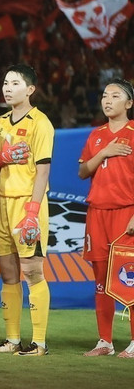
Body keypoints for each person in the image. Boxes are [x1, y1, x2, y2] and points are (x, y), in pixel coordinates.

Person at [0, 64, 53, 356]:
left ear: (30, 90)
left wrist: (33, 212)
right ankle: (12, 340)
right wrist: (1, 157)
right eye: (5, 83)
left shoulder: (41, 123)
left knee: (32, 271)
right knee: (7, 272)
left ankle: (39, 343)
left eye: (15, 83)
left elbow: (44, 170)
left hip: (26, 203)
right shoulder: (0, 123)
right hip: (0, 200)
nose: (7, 88)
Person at [78, 79, 134, 358]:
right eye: (104, 95)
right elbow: (83, 172)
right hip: (97, 213)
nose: (108, 100)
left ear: (129, 103)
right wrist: (104, 152)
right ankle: (105, 342)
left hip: (126, 213)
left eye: (116, 95)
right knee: (100, 280)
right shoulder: (96, 135)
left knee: (130, 279)